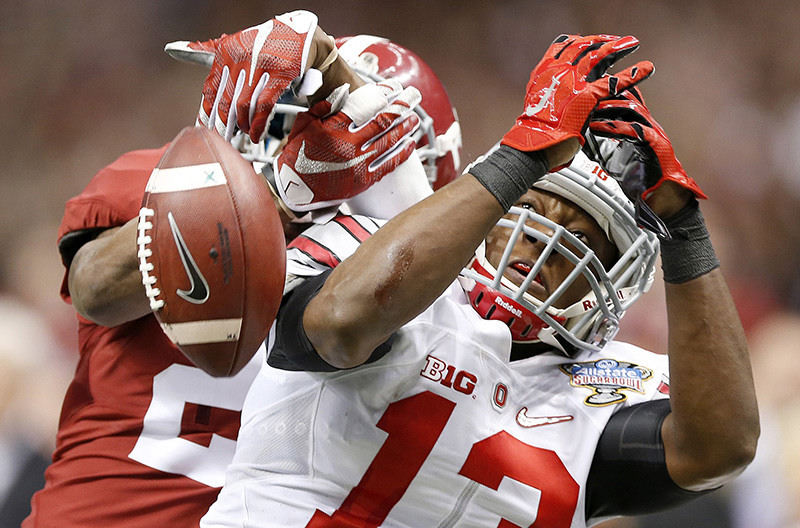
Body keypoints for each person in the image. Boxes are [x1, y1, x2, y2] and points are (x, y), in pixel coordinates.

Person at [199, 34, 759, 527]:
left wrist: (684, 230)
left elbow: (722, 448)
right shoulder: (380, 257)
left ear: (619, 277)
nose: (544, 243)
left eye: (583, 240)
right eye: (530, 214)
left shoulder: (603, 387)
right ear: (489, 206)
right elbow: (338, 325)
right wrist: (524, 153)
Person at [25, 10, 459, 527]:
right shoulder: (188, 179)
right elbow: (95, 288)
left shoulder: (425, 295)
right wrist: (278, 196)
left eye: (385, 148)